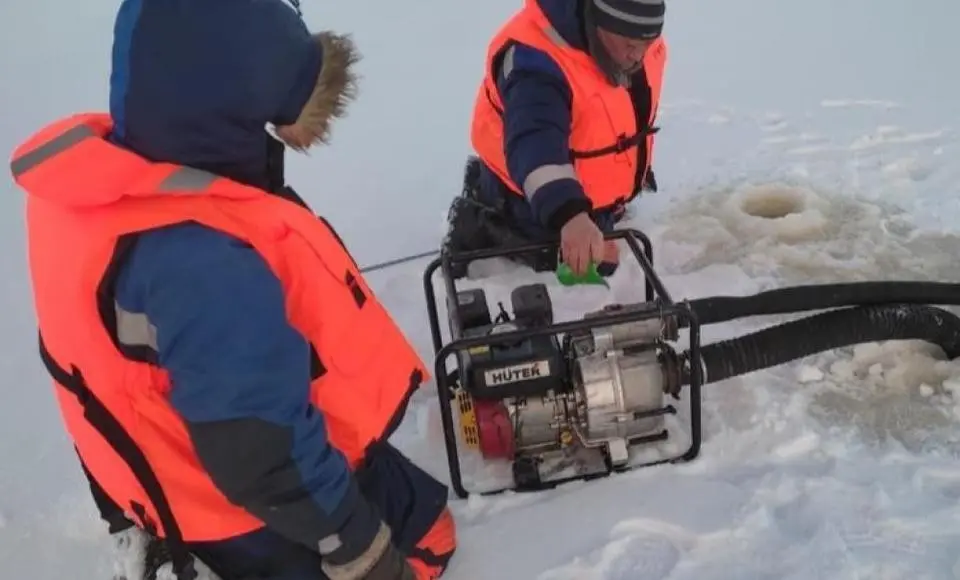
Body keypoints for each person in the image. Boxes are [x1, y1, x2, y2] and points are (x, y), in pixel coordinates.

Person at [10, 1, 456, 579]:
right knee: (427, 537)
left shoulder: (90, 187)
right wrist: (361, 551)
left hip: (158, 470)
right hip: (235, 511)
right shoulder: (205, 264)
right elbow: (262, 457)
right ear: (234, 101)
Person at [445, 0, 667, 277]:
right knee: (582, 264)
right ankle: (485, 223)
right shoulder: (535, 61)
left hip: (597, 200)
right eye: (631, 44)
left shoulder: (630, 42)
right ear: (598, 22)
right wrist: (570, 215)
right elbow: (535, 143)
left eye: (647, 43)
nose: (638, 55)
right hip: (532, 194)